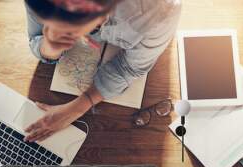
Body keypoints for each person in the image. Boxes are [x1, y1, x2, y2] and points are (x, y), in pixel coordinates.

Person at [24, 0, 181, 142]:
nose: (55, 30)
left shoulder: (160, 12)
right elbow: (36, 38)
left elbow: (129, 68)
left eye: (72, 31)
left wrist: (76, 108)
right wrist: (50, 46)